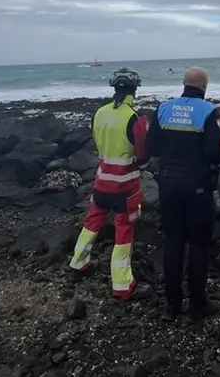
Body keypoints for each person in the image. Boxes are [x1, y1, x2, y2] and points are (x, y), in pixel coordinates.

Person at [146, 67, 220, 322]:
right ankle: (197, 304)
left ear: (183, 83)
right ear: (205, 85)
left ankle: (172, 305)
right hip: (197, 186)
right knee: (199, 243)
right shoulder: (208, 111)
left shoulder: (164, 108)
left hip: (168, 185)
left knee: (173, 241)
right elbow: (215, 151)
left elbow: (152, 146)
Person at [69, 67, 153, 300]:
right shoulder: (134, 118)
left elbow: (98, 142)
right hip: (126, 187)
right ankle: (122, 285)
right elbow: (142, 155)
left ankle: (78, 262)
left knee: (92, 222)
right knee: (124, 231)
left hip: (102, 182)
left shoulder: (100, 113)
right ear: (135, 89)